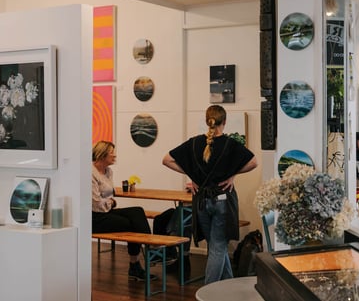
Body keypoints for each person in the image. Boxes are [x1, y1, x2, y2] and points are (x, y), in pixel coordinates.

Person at [162, 105, 257, 284]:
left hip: (201, 202)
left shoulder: (194, 142)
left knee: (215, 247)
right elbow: (253, 162)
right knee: (218, 248)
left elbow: (166, 159)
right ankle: (207, 291)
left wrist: (192, 175)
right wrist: (232, 175)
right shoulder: (230, 144)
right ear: (225, 122)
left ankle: (229, 287)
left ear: (207, 121)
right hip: (223, 201)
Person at [91, 140, 157, 282]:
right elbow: (96, 204)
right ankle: (137, 264)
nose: (115, 155)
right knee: (130, 223)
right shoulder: (90, 173)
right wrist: (111, 202)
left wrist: (109, 202)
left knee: (137, 211)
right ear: (102, 154)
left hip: (106, 212)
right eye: (112, 152)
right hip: (94, 217)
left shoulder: (108, 171)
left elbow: (106, 198)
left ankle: (150, 245)